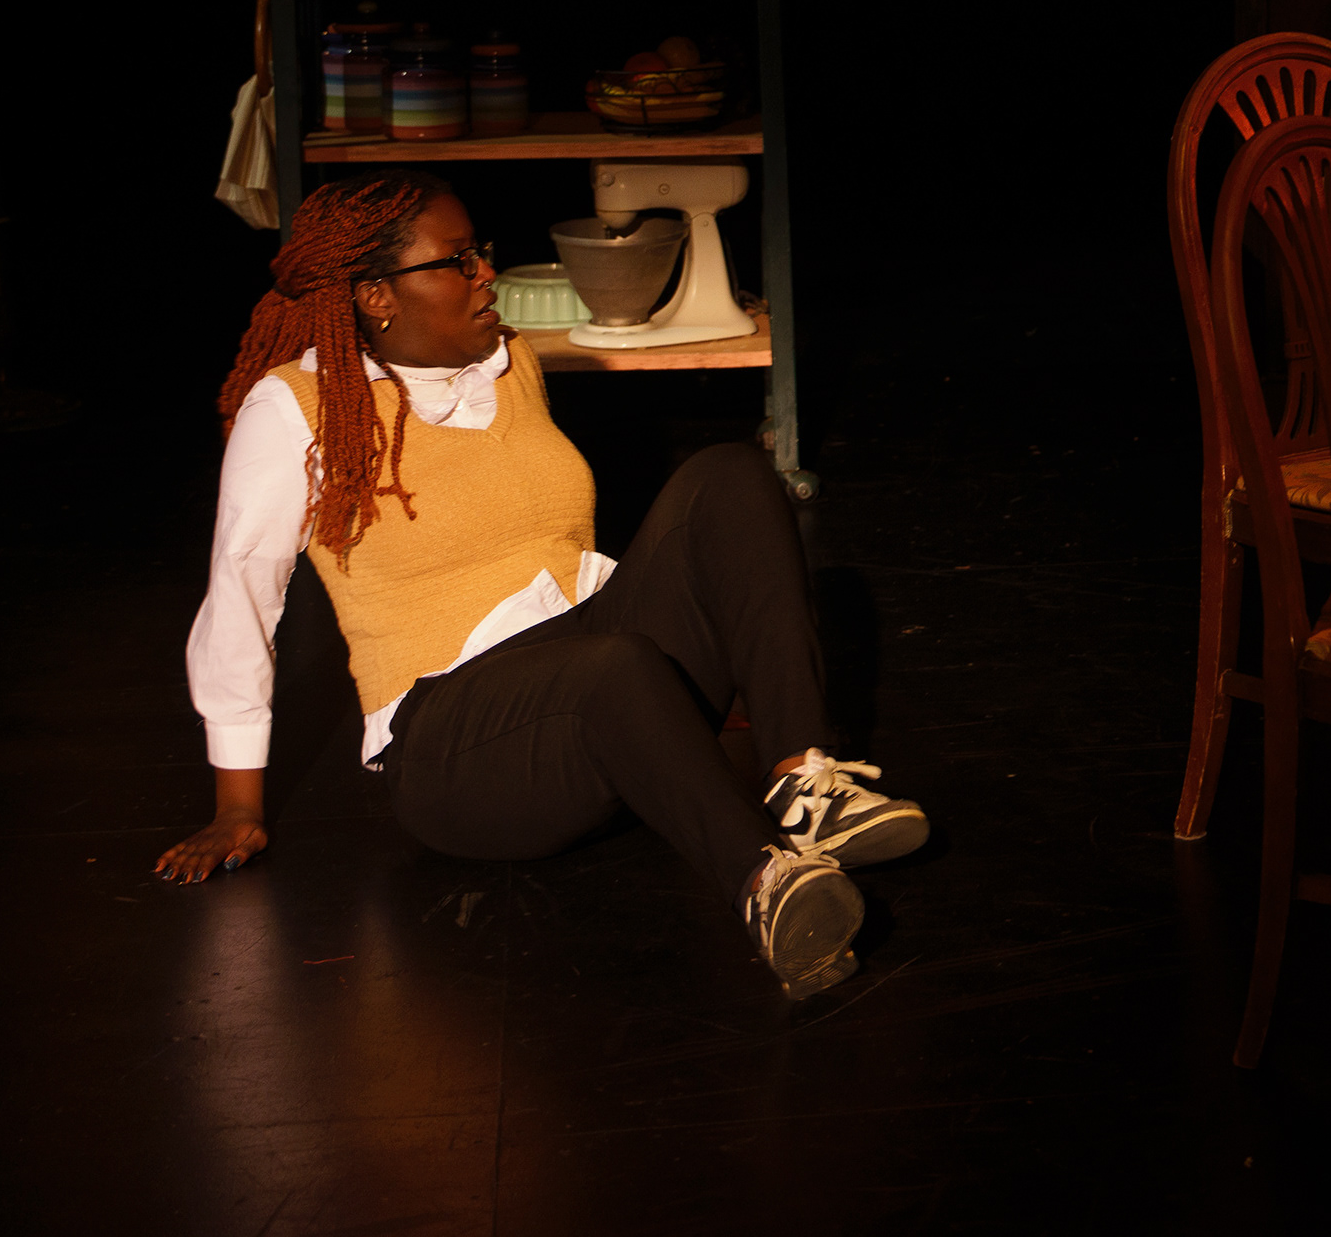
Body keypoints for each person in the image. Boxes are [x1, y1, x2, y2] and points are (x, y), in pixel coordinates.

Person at [158, 172, 927, 1001]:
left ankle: (805, 784)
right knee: (613, 666)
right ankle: (769, 883)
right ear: (376, 295)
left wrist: (728, 657)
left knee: (730, 475)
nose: (487, 274)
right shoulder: (299, 409)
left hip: (599, 686)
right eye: (460, 261)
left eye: (481, 252)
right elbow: (241, 593)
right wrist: (238, 804)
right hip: (457, 747)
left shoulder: (508, 359)